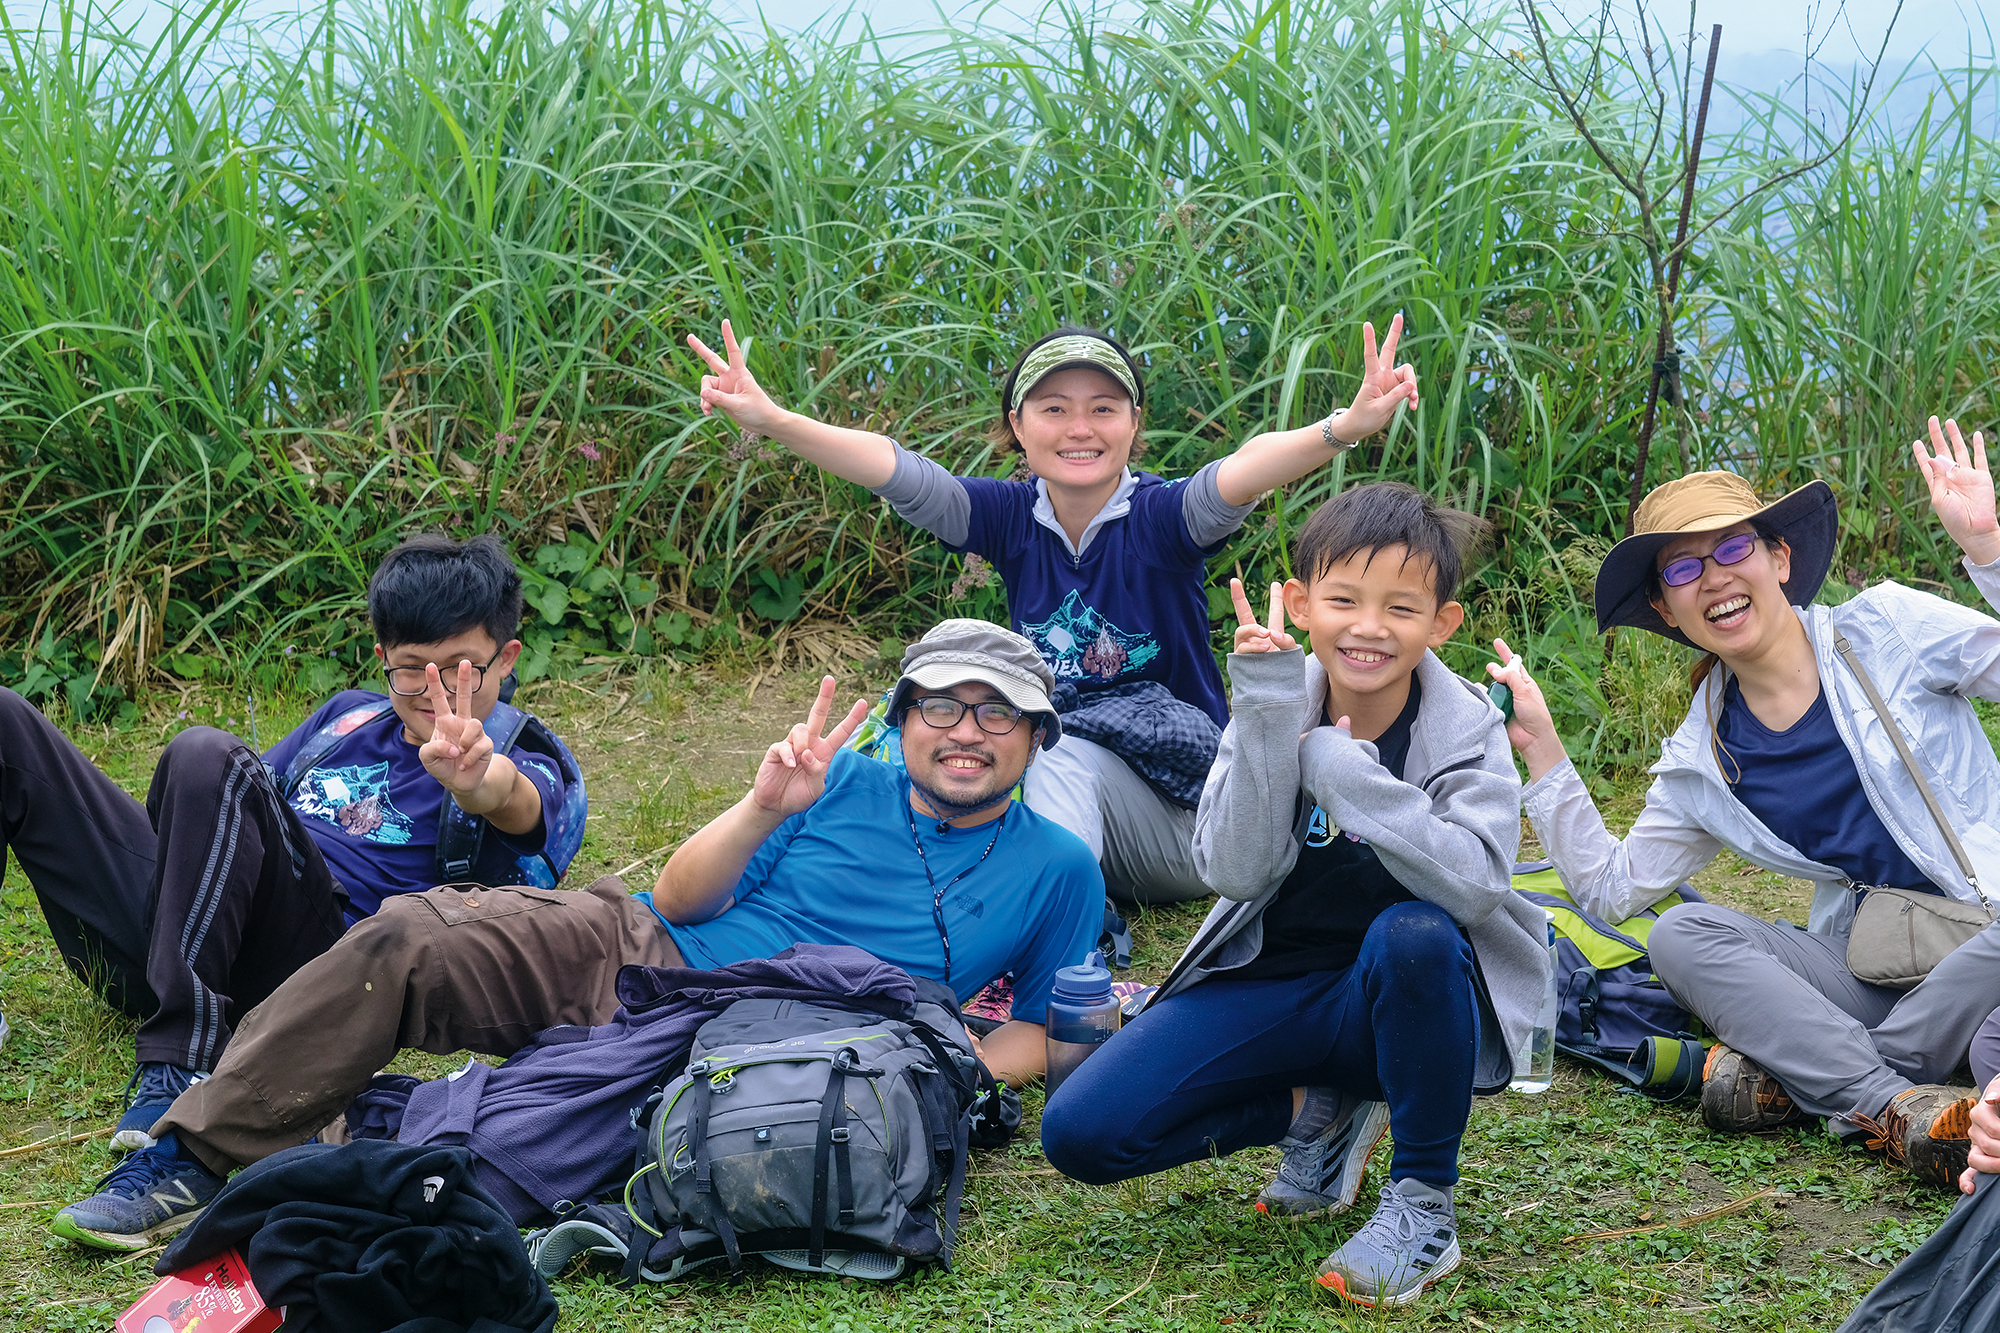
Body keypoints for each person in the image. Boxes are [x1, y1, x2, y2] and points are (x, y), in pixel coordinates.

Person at [51, 619, 1104, 1253]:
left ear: (1036, 736)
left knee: (501, 1143)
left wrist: (953, 1063)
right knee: (414, 932)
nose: (966, 733)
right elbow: (681, 897)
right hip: (643, 945)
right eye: (942, 707)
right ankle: (189, 1153)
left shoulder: (1058, 866)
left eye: (996, 713)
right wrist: (762, 806)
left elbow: (1052, 1027)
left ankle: (317, 1134)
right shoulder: (833, 780)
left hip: (760, 1043)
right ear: (906, 716)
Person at [688, 316, 1419, 903]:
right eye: (1054, 409)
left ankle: (1057, 950)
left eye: (1103, 409)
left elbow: (1245, 470)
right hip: (1076, 816)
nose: (1080, 429)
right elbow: (896, 470)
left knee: (1051, 746)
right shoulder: (1010, 518)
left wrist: (1345, 426)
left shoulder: (1163, 519)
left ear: (1133, 422)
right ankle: (822, 883)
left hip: (1192, 822)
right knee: (924, 726)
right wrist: (774, 419)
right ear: (1019, 424)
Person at [1040, 482, 1547, 1308]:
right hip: (1269, 984)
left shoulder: (1467, 730)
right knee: (1080, 1131)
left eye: (1401, 607)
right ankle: (1317, 1115)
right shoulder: (1274, 696)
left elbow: (1478, 883)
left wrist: (1343, 771)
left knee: (1415, 932)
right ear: (1303, 604)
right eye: (1344, 600)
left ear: (1441, 623)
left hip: (1394, 1008)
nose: (1369, 626)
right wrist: (1271, 718)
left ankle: (1424, 1203)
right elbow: (1234, 873)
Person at [1485, 421, 2000, 1187]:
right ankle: (1892, 1104)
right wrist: (1546, 753)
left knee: (1991, 1046)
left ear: (1779, 558)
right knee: (1682, 934)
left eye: (1733, 548)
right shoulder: (1704, 758)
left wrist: (1988, 550)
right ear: (1666, 607)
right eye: (1684, 567)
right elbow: (1610, 889)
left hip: (1989, 937)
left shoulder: (1887, 629)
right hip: (1878, 963)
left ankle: (1818, 1076)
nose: (1715, 577)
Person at [1, 534, 578, 1151]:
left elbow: (518, 806)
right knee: (10, 719)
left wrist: (475, 782)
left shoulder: (520, 755)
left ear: (507, 658)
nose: (435, 692)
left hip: (315, 968)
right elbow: (228, 799)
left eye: (462, 669)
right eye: (413, 670)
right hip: (182, 938)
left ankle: (180, 1061)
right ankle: (178, 987)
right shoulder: (348, 716)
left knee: (205, 751)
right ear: (382, 657)